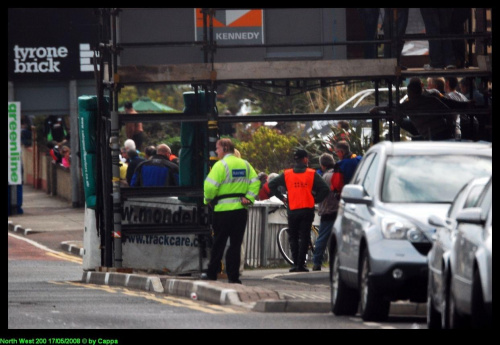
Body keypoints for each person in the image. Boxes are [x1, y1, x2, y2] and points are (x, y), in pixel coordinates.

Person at [201, 138, 260, 284]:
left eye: (217, 148)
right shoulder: (245, 164)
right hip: (240, 211)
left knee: (218, 243)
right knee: (235, 244)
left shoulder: (220, 165)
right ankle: (233, 277)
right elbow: (256, 182)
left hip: (222, 211)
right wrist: (249, 198)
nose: (216, 151)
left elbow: (209, 187)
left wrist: (207, 200)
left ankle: (212, 273)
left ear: (225, 148)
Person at [268, 149, 329, 272]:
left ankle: (295, 264)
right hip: (307, 209)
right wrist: (315, 199)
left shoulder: (287, 174)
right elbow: (325, 189)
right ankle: (301, 264)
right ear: (305, 159)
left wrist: (282, 198)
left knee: (293, 237)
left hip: (293, 210)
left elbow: (271, 184)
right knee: (304, 237)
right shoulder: (312, 174)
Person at [372, 77, 455, 141]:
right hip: (444, 133)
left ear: (410, 92)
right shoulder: (432, 99)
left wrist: (377, 108)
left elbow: (392, 108)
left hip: (431, 136)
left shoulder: (409, 105)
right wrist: (450, 129)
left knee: (400, 120)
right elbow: (449, 113)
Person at [312, 153, 338, 271]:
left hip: (327, 211)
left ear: (322, 165)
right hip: (339, 210)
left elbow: (319, 192)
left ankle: (317, 262)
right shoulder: (338, 174)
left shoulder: (325, 177)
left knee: (322, 239)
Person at [445, 76, 477, 141]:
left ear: (447, 83)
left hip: (463, 127)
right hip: (473, 123)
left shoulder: (447, 97)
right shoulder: (461, 95)